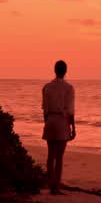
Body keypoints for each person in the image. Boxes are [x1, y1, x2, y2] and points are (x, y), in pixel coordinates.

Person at [41, 60, 75, 194]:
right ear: (65, 71)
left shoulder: (47, 87)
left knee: (50, 154)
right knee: (59, 156)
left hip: (50, 119)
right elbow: (70, 110)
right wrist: (73, 127)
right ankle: (56, 187)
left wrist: (47, 122)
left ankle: (51, 185)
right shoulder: (69, 88)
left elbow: (45, 108)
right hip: (62, 120)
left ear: (55, 70)